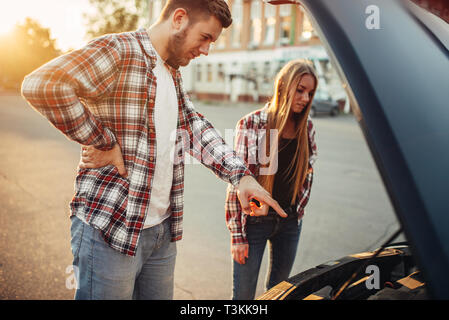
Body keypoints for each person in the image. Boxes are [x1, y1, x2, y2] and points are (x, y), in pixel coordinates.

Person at [21, 0, 286, 300]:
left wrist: (242, 177)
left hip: (161, 234)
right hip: (110, 230)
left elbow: (193, 128)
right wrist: (102, 141)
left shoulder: (171, 72)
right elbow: (42, 85)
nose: (206, 50)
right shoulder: (120, 50)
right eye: (205, 37)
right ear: (179, 19)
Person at [225, 59, 318, 300]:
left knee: (280, 294)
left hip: (290, 221)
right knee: (244, 296)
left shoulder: (307, 128)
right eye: (300, 90)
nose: (306, 99)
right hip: (256, 222)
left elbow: (306, 175)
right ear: (283, 85)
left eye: (310, 93)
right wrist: (238, 236)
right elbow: (238, 181)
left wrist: (298, 212)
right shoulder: (252, 124)